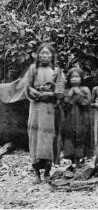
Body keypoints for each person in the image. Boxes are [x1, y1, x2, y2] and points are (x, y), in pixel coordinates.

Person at [23, 43, 65, 183]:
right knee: (34, 136)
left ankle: (47, 171)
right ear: (38, 55)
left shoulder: (57, 71)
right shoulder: (33, 69)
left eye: (47, 53)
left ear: (52, 56)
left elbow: (60, 90)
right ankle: (36, 173)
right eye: (42, 53)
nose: (44, 56)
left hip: (49, 109)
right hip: (35, 107)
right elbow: (26, 86)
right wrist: (34, 92)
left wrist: (50, 94)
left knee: (48, 137)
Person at [60, 66, 94, 169]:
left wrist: (78, 94)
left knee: (81, 136)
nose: (74, 79)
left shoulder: (85, 89)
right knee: (70, 137)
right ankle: (72, 160)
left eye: (77, 76)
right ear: (69, 79)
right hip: (70, 119)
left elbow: (87, 102)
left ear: (81, 78)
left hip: (82, 118)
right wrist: (70, 94)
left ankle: (80, 159)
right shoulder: (67, 90)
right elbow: (64, 105)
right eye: (72, 77)